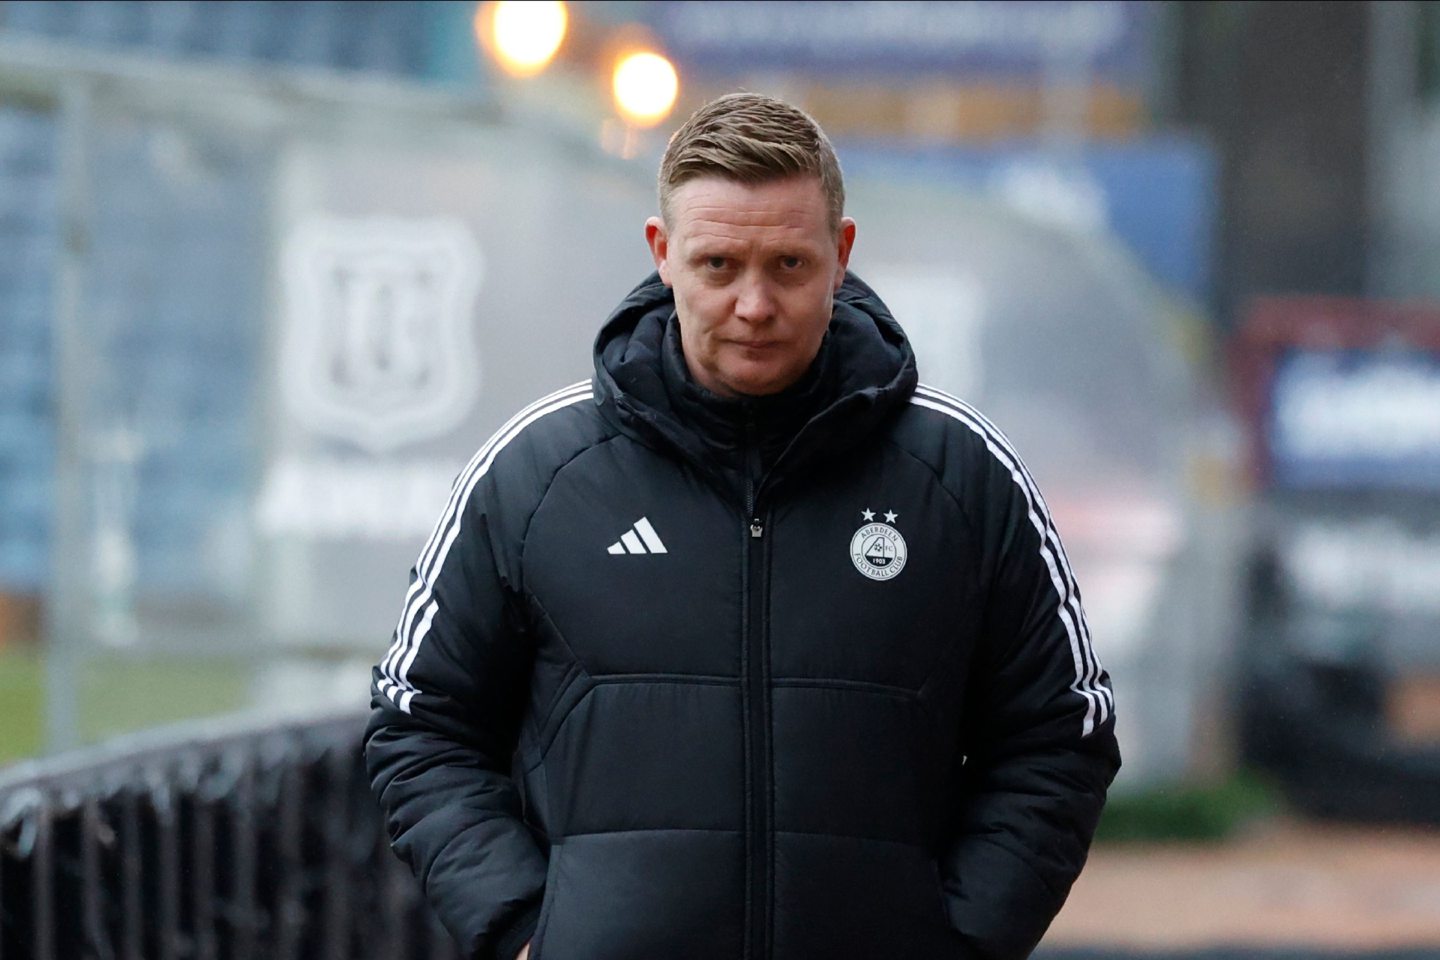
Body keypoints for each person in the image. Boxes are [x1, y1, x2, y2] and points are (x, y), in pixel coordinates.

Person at [365, 92, 1119, 960]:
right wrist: (525, 929)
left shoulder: (962, 476)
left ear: (841, 257)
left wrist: (965, 940)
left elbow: (1062, 734)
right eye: (719, 265)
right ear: (663, 255)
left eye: (788, 267)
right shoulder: (536, 475)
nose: (754, 305)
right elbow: (419, 724)